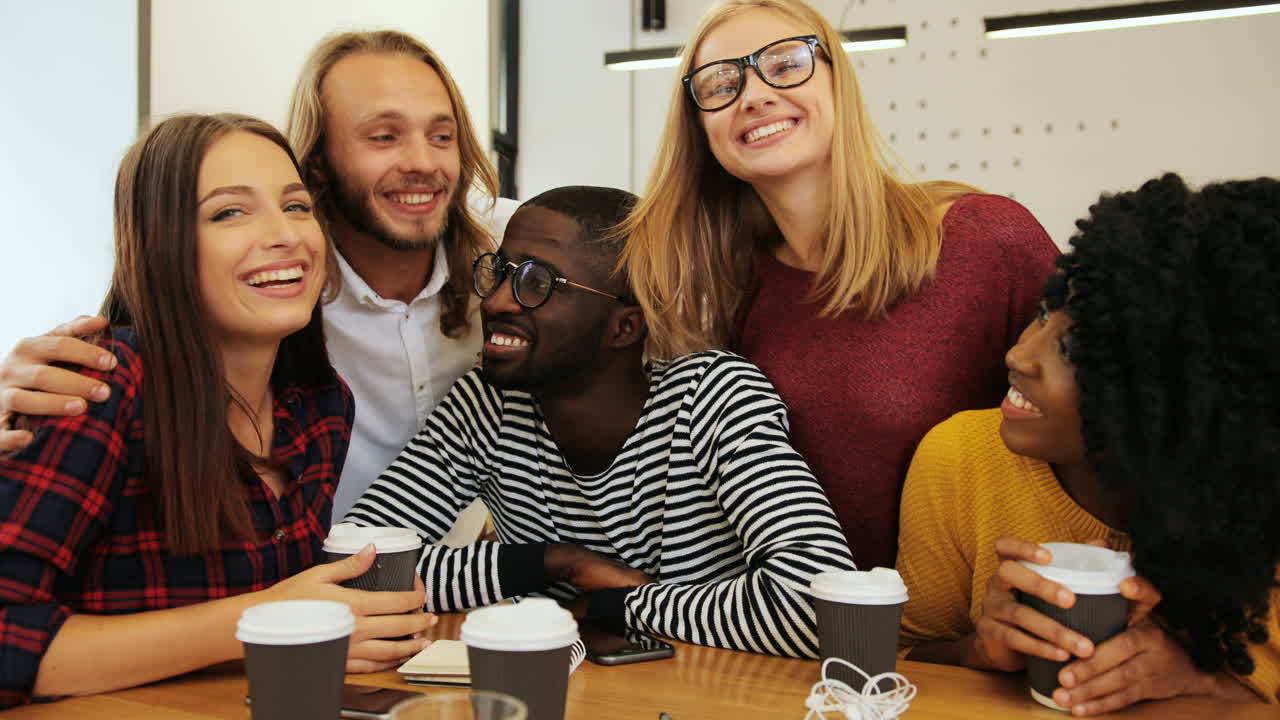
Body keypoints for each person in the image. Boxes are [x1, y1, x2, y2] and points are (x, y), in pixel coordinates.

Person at [0, 114, 433, 709]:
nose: (284, 234)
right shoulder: (97, 385)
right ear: (162, 246)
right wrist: (270, 618)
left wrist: (347, 621)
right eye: (229, 212)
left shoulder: (320, 405)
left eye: (297, 206)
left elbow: (263, 635)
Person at [0, 30, 518, 521]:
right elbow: (149, 330)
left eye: (442, 135)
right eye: (384, 136)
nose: (423, 162)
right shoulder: (277, 284)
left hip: (478, 579)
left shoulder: (521, 253)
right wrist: (25, 401)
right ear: (315, 163)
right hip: (321, 586)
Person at [618, 0, 1059, 570]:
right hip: (789, 638)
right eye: (721, 83)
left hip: (974, 640)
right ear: (700, 127)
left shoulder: (985, 238)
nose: (753, 95)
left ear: (838, 81)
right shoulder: (724, 291)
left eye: (783, 64)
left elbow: (1110, 427)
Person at [344, 185, 857, 659]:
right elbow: (357, 566)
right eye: (499, 272)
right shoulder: (485, 404)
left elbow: (822, 605)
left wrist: (619, 605)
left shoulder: (714, 397)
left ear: (624, 326)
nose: (496, 301)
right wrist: (550, 563)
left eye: (537, 283)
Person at [895, 174, 1279, 714]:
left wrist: (1208, 672)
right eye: (1041, 315)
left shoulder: (1256, 507)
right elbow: (903, 656)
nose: (1019, 355)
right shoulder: (961, 459)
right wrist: (980, 648)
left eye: (1073, 349)